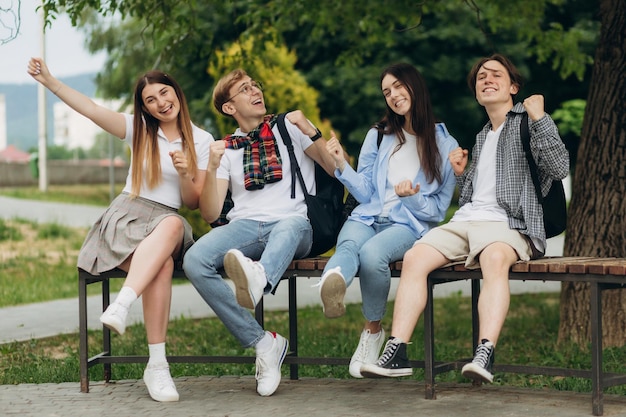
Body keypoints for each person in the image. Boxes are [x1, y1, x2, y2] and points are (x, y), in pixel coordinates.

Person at [360, 54, 569, 382]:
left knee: (494, 258)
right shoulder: (483, 134)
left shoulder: (530, 121)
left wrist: (541, 117)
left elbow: (559, 168)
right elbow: (473, 196)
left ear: (513, 86)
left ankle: (485, 352)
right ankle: (397, 351)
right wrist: (460, 175)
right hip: (468, 220)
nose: (486, 79)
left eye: (495, 75)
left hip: (511, 225)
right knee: (415, 257)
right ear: (476, 93)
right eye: (480, 77)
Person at [27, 58, 213, 402]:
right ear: (143, 108)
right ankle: (157, 365)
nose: (160, 103)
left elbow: (191, 203)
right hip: (128, 216)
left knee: (173, 223)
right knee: (163, 266)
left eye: (164, 93)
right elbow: (91, 109)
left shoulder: (201, 140)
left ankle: (123, 302)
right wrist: (50, 81)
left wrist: (187, 172)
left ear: (176, 91)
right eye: (150, 100)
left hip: (167, 222)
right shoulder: (138, 129)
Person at [183, 68, 336, 397]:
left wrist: (310, 130)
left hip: (296, 225)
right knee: (194, 260)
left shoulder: (288, 129)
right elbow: (210, 213)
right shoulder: (227, 149)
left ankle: (259, 278)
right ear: (229, 107)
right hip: (246, 227)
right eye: (244, 89)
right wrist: (210, 166)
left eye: (255, 86)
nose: (256, 91)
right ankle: (263, 343)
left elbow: (335, 170)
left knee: (290, 225)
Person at [318, 63, 459, 378]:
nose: (393, 95)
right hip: (369, 214)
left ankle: (372, 331)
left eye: (397, 86)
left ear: (414, 86)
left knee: (371, 254)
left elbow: (436, 211)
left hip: (406, 226)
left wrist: (411, 197)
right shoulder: (379, 135)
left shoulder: (446, 145)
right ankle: (333, 285)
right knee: (350, 243)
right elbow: (366, 191)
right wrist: (341, 163)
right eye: (386, 92)